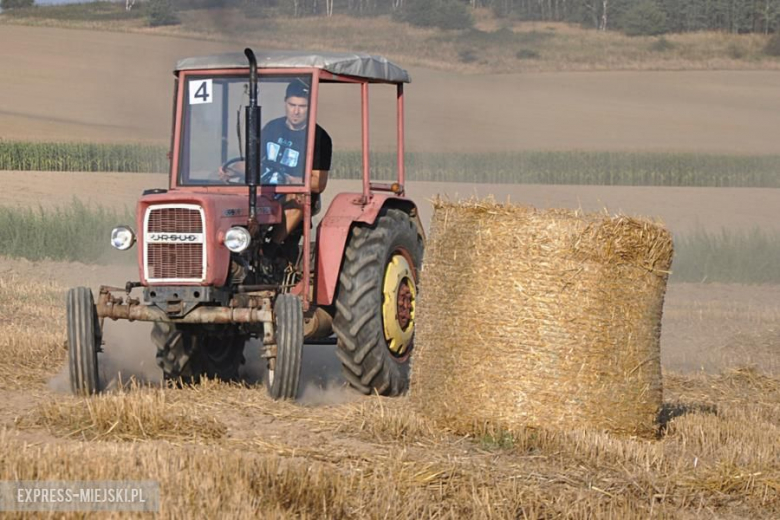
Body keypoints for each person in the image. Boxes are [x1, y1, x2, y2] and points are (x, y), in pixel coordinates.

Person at [220, 79, 332, 246]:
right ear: (285, 103)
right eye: (292, 105)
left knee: (298, 202)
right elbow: (254, 165)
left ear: (311, 108)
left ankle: (271, 248)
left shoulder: (319, 138)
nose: (296, 111)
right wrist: (231, 169)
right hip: (265, 190)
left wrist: (290, 181)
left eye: (302, 107)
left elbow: (318, 183)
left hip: (294, 194)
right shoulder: (272, 127)